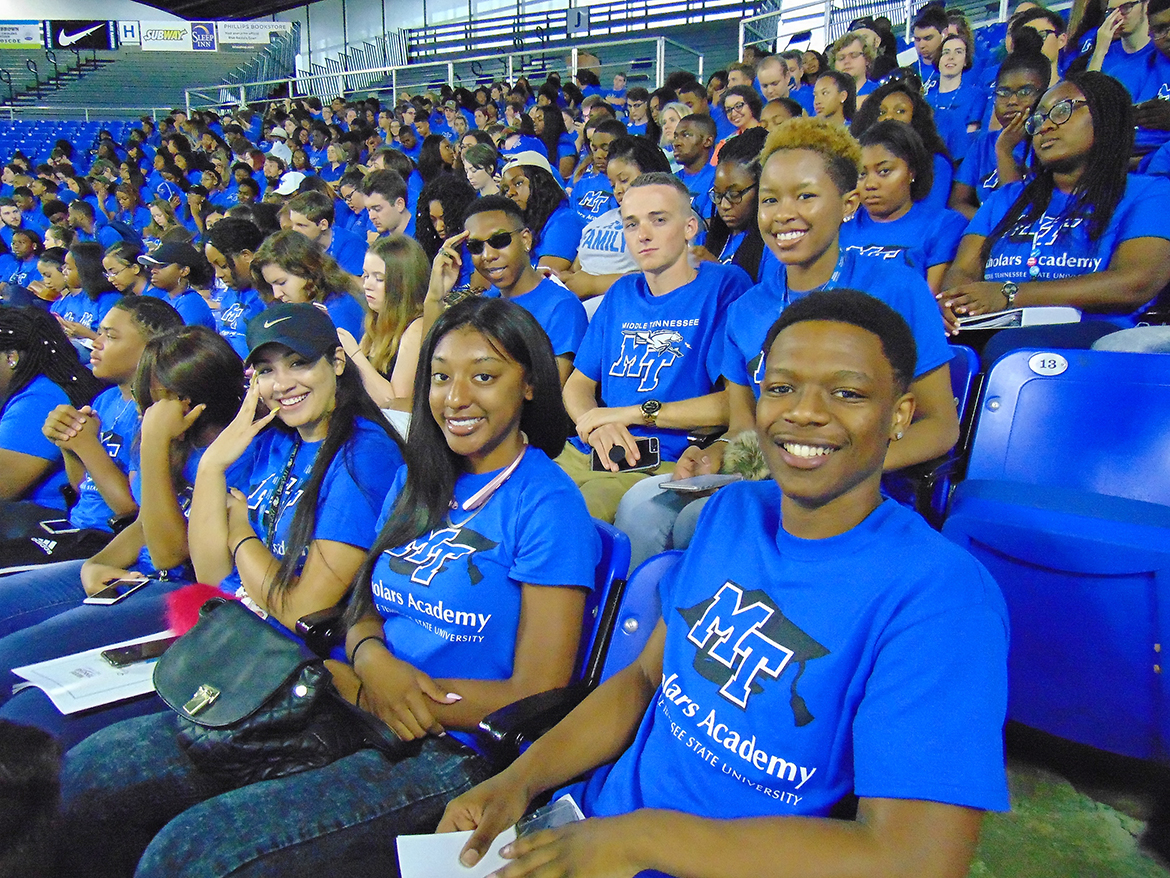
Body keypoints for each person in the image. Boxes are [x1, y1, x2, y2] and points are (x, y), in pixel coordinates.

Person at [440, 290, 1009, 878]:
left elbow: (915, 860)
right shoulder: (729, 513)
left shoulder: (944, 599)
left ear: (899, 414)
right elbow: (642, 680)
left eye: (847, 393)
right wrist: (518, 781)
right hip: (587, 829)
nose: (804, 412)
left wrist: (644, 841)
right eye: (782, 387)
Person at [59, 296, 600, 878]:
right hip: (351, 692)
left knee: (199, 854)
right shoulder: (419, 478)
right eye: (440, 377)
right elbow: (364, 602)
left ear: (528, 386)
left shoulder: (547, 505)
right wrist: (372, 663)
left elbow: (538, 691)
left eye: (484, 377)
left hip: (451, 746)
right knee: (98, 770)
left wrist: (393, 694)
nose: (456, 397)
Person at [616, 119, 957, 567]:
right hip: (770, 474)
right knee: (641, 508)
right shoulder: (747, 310)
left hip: (859, 483)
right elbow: (746, 434)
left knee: (700, 522)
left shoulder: (897, 289)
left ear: (848, 203)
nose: (783, 213)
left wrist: (842, 464)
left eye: (806, 196)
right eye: (771, 199)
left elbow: (940, 426)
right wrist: (715, 454)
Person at [556, 172, 752, 523]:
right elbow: (578, 385)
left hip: (659, 461)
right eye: (631, 224)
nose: (643, 234)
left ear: (691, 226)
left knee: (566, 520)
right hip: (589, 449)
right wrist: (597, 425)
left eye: (658, 220)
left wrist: (628, 413)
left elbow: (732, 405)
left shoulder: (724, 286)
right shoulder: (621, 293)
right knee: (512, 509)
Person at [943, 71, 1170, 328]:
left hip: (1093, 344)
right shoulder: (1005, 199)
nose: (1046, 126)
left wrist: (1010, 294)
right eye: (1038, 119)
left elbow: (1136, 281)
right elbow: (962, 270)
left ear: (1107, 116)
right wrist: (957, 302)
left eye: (1062, 110)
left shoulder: (1149, 193)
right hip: (991, 336)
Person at [0, 298, 182, 569]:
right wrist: (66, 443)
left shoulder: (155, 412)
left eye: (110, 336)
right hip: (75, 527)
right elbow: (83, 486)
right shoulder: (106, 400)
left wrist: (86, 446)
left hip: (107, 539)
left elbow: (128, 507)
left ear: (150, 349)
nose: (96, 342)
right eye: (99, 332)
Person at [428, 195, 587, 386]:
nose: (487, 255)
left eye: (499, 240)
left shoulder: (561, 308)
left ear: (526, 239)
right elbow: (433, 371)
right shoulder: (483, 304)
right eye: (476, 246)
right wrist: (434, 297)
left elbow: (550, 395)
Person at [0, 308, 104, 513]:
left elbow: (4, 487)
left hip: (42, 517)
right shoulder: (44, 384)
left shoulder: (41, 398)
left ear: (11, 358)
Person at [844, 121, 968, 293]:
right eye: (862, 174)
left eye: (884, 171)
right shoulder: (839, 228)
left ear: (912, 172)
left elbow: (929, 303)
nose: (870, 184)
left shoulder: (943, 225)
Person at [560, 135, 671, 301]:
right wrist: (561, 279)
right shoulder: (600, 221)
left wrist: (594, 284)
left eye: (624, 180)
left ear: (651, 174)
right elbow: (576, 268)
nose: (618, 190)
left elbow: (664, 277)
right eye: (613, 184)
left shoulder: (664, 221)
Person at [949, 46, 1049, 218]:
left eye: (1025, 92)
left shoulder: (1049, 141)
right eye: (1003, 92)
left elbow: (1016, 210)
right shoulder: (984, 144)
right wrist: (987, 223)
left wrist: (1004, 150)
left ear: (1045, 95)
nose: (1012, 101)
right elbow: (957, 202)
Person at [337, 233, 428, 409]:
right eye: (365, 275)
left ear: (403, 283)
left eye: (379, 278)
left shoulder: (416, 328)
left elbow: (395, 404)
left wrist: (353, 353)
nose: (367, 285)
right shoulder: (376, 320)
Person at [850, 80, 954, 212]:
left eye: (900, 111)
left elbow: (930, 215)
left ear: (916, 118)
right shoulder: (858, 157)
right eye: (882, 112)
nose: (889, 117)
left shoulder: (937, 163)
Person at [251, 230, 368, 338]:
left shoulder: (338, 308)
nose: (276, 294)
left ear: (308, 270)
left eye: (281, 282)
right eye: (271, 285)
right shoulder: (306, 307)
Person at [699, 129, 770, 282]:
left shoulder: (771, 246)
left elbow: (768, 302)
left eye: (734, 194)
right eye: (718, 194)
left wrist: (719, 273)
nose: (724, 205)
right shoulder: (704, 241)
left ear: (761, 189)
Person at [500, 151, 584, 273]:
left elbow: (544, 278)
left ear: (541, 183)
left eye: (518, 183)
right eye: (505, 189)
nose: (510, 193)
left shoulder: (565, 220)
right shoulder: (522, 225)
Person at [203, 219, 267, 359]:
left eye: (223, 266)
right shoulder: (231, 293)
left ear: (247, 256)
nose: (218, 275)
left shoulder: (270, 296)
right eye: (213, 267)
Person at [50, 243, 122, 356]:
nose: (64, 272)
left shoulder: (109, 299)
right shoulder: (74, 297)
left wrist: (87, 334)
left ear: (85, 270)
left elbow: (114, 347)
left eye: (69, 268)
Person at [928, 32, 987, 162]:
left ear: (966, 61)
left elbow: (970, 136)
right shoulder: (926, 99)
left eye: (958, 52)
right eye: (946, 52)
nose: (951, 57)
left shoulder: (977, 95)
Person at [286, 190, 368, 277]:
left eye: (301, 225)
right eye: (293, 224)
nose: (294, 230)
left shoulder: (351, 245)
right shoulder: (300, 245)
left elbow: (356, 287)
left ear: (323, 224)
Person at [137, 242, 217, 330]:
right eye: (152, 266)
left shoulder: (190, 303)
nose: (153, 271)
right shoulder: (166, 299)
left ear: (184, 271)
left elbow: (178, 341)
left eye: (162, 266)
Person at [673, 113, 717, 224]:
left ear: (707, 141)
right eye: (676, 136)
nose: (676, 143)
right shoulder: (671, 180)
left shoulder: (716, 178)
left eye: (686, 135)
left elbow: (709, 229)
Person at [830, 30, 879, 103]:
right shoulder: (828, 97)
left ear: (867, 60)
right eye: (841, 58)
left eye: (854, 55)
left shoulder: (879, 92)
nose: (846, 61)